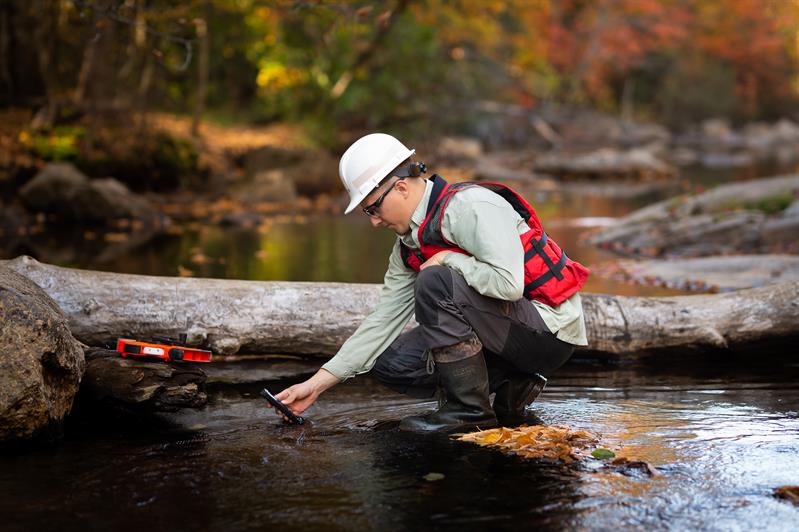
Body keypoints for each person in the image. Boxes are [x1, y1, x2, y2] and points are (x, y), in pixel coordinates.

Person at [274, 133, 589, 432]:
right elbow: (382, 322)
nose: (373, 221)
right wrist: (314, 385)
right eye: (365, 212)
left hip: (550, 333)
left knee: (435, 279)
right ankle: (512, 382)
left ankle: (468, 411)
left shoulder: (471, 207)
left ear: (401, 187)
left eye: (373, 207)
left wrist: (448, 260)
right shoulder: (408, 246)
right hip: (505, 331)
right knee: (387, 360)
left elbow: (508, 286)